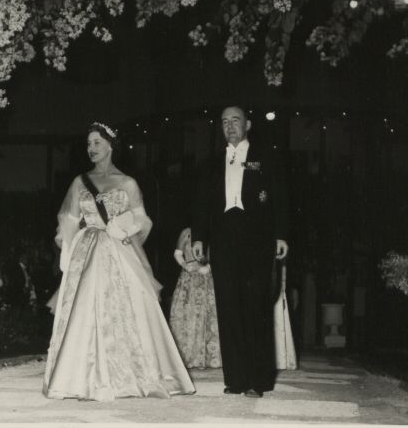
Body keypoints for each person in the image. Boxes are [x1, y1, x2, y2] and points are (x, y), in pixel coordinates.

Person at [43, 122, 195, 401]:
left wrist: (123, 226)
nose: (91, 148)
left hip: (117, 251)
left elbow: (142, 220)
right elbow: (67, 218)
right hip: (87, 250)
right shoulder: (79, 182)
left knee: (123, 309)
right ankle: (79, 377)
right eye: (89, 144)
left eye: (97, 143)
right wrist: (69, 246)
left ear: (111, 145)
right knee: (84, 309)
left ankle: (124, 375)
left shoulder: (128, 183)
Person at [192, 105, 289, 398]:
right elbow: (201, 202)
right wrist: (199, 237)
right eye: (224, 122)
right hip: (223, 238)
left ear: (248, 124)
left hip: (257, 237)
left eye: (235, 120)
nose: (230, 126)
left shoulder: (267, 157)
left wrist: (281, 235)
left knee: (256, 306)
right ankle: (235, 379)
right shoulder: (211, 162)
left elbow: (282, 197)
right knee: (229, 307)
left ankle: (258, 380)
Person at [168, 227, 222, 368]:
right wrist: (185, 266)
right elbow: (177, 253)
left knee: (209, 315)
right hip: (189, 279)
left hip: (208, 279)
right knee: (188, 314)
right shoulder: (186, 232)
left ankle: (210, 358)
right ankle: (188, 356)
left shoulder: (214, 231)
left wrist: (207, 267)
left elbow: (221, 255)